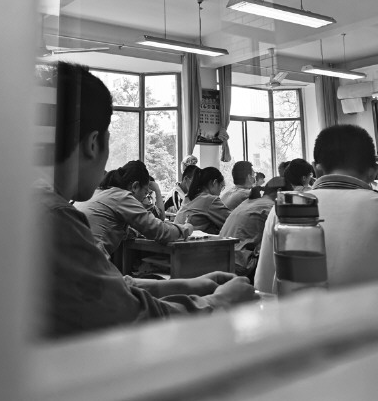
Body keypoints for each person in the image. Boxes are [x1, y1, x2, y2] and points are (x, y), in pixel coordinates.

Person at [34, 63, 256, 338]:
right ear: (94, 144)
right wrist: (219, 302)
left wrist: (191, 285)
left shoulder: (38, 205)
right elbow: (131, 316)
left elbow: (110, 287)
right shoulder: (57, 218)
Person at [255, 124, 378, 294]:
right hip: (377, 315)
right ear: (374, 172)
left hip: (298, 314)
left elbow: (263, 287)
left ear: (316, 169)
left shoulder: (284, 210)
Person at [74, 160, 193, 256]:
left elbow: (112, 225)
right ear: (135, 186)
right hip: (87, 262)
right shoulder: (122, 196)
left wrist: (134, 231)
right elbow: (159, 231)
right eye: (145, 192)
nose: (144, 198)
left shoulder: (99, 192)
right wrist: (185, 229)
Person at [220, 177, 285, 279]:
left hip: (222, 259)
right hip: (240, 265)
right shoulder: (271, 207)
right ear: (279, 192)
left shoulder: (249, 202)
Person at [174, 167, 230, 233]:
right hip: (191, 238)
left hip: (178, 237)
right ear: (214, 182)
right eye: (221, 186)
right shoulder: (210, 200)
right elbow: (233, 221)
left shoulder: (189, 197)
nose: (220, 191)